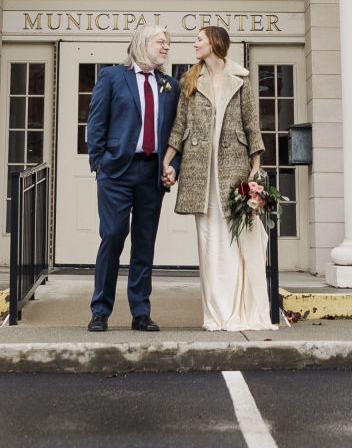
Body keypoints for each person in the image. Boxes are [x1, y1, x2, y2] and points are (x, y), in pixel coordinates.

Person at [166, 24, 277, 332]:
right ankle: (215, 313)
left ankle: (238, 310)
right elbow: (179, 126)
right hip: (199, 172)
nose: (194, 44)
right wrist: (167, 161)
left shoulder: (240, 79)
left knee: (233, 241)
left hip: (234, 170)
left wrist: (256, 166)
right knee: (208, 243)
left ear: (214, 43)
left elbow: (252, 124)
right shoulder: (189, 80)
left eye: (198, 39)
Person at [85, 22, 179, 332]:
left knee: (144, 243)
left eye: (167, 42)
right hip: (116, 172)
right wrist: (99, 162)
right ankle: (100, 310)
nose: (166, 47)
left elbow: (176, 134)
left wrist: (173, 165)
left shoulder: (169, 85)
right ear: (142, 43)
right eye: (160, 41)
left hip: (151, 173)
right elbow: (96, 122)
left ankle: (141, 312)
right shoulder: (112, 77)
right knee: (112, 237)